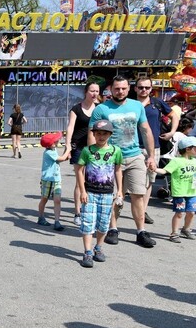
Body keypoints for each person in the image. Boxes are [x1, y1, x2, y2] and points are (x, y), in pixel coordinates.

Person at [89, 75, 156, 248]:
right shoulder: (101, 109)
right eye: (117, 88)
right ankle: (113, 229)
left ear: (129, 88)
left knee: (138, 195)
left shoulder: (137, 106)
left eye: (123, 88)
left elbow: (146, 130)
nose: (120, 91)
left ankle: (141, 232)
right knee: (114, 196)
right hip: (110, 158)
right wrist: (92, 156)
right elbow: (92, 132)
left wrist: (151, 156)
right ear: (111, 90)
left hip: (134, 156)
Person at [76, 120, 123, 267]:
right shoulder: (87, 151)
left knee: (103, 225)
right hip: (90, 193)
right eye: (98, 133)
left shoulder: (116, 151)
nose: (101, 136)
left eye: (105, 133)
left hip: (107, 194)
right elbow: (79, 170)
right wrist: (82, 191)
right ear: (94, 134)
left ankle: (98, 248)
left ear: (110, 135)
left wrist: (120, 190)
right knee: (87, 223)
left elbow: (118, 170)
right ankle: (88, 252)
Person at [135, 77, 180, 225]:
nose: (144, 90)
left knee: (149, 180)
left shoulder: (157, 103)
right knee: (125, 180)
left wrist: (172, 132)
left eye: (147, 88)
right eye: (141, 87)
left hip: (153, 148)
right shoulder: (130, 103)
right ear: (135, 88)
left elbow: (173, 115)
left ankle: (142, 211)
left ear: (151, 89)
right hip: (132, 147)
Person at [62, 82, 101, 226]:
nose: (95, 93)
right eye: (92, 90)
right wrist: (67, 146)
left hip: (96, 148)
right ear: (86, 92)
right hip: (79, 147)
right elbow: (70, 127)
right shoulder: (76, 109)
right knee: (80, 181)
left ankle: (91, 210)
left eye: (97, 91)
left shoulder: (100, 108)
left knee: (95, 180)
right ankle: (78, 213)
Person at [154, 137, 196, 243]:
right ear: (187, 149)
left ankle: (186, 229)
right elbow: (164, 171)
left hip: (192, 192)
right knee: (179, 213)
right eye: (195, 148)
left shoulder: (194, 161)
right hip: (179, 193)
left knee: (191, 212)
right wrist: (154, 169)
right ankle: (174, 233)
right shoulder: (177, 161)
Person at [38, 132, 67, 231]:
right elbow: (62, 158)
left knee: (57, 200)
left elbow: (60, 160)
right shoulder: (49, 152)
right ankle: (41, 217)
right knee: (44, 199)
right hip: (48, 180)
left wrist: (67, 154)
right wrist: (68, 150)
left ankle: (57, 221)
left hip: (56, 179)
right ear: (51, 144)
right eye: (56, 140)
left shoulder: (53, 150)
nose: (58, 140)